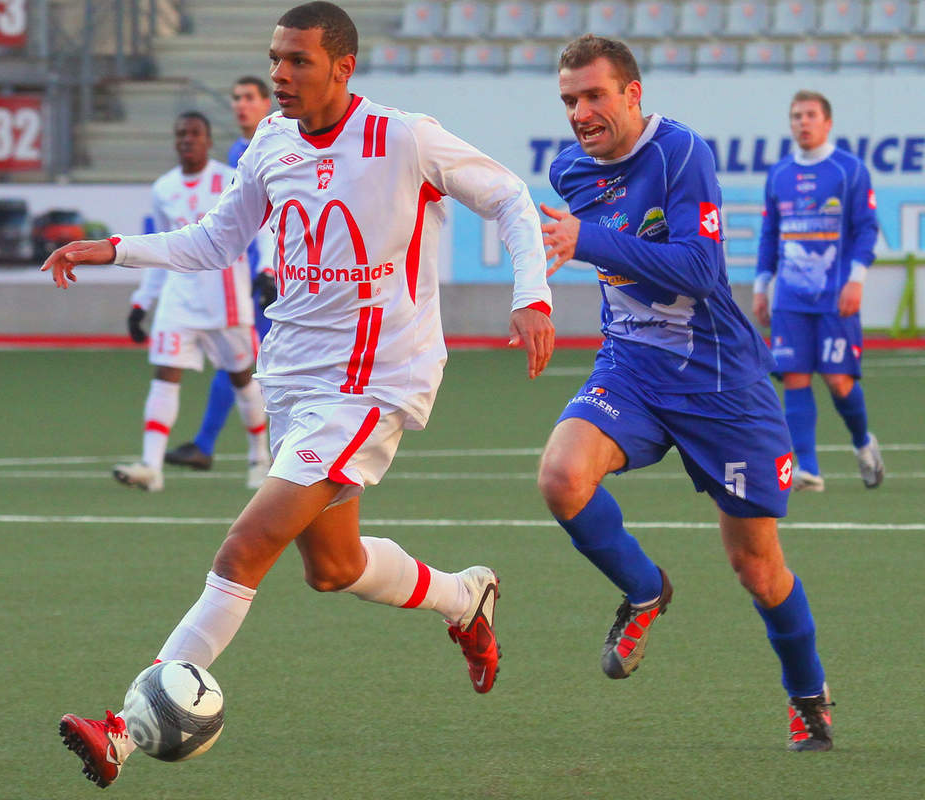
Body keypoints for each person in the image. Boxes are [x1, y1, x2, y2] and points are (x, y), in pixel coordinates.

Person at [44, 2, 555, 787]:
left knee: (246, 547)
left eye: (298, 62)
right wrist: (115, 249)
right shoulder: (271, 143)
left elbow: (512, 200)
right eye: (275, 59)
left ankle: (119, 728)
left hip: (374, 382)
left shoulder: (404, 137)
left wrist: (534, 293)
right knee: (333, 565)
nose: (279, 75)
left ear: (343, 67)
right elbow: (215, 239)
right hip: (295, 376)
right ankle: (464, 597)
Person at [536, 34, 834, 751]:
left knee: (757, 568)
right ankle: (645, 590)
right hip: (632, 367)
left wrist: (589, 243)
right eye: (570, 100)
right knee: (561, 477)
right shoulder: (569, 171)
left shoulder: (681, 154)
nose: (581, 112)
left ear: (632, 94)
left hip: (720, 382)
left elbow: (700, 271)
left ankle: (807, 694)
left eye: (595, 95)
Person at [114, 111, 271, 492]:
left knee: (242, 379)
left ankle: (259, 460)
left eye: (194, 133)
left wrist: (267, 269)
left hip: (226, 299)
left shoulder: (228, 178)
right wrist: (141, 303)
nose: (187, 139)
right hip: (179, 300)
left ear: (207, 139)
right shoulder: (163, 188)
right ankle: (151, 467)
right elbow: (159, 249)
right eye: (181, 133)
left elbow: (262, 226)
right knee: (165, 375)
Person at [753, 90, 883, 493]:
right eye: (796, 116)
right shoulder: (779, 175)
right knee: (793, 375)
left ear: (827, 122)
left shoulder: (849, 171)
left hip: (835, 294)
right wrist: (762, 286)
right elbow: (770, 234)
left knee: (838, 380)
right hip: (790, 296)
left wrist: (856, 279)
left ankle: (863, 443)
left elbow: (867, 229)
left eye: (810, 115)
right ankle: (806, 467)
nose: (802, 123)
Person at [165, 76, 278, 473]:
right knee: (241, 359)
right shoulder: (236, 152)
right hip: (242, 273)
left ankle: (267, 454)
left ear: (267, 103)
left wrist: (272, 266)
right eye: (235, 98)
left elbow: (276, 216)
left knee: (255, 361)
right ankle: (215, 447)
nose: (240, 105)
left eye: (249, 97)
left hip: (277, 272)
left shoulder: (284, 143)